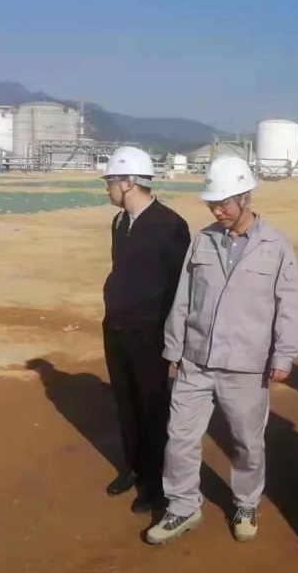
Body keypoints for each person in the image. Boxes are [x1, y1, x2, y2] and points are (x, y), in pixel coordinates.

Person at [145, 155, 298, 545]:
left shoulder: (275, 245)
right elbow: (184, 297)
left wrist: (284, 355)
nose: (218, 211)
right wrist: (174, 345)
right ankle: (183, 505)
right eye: (212, 204)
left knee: (246, 443)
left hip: (246, 366)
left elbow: (288, 305)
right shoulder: (203, 240)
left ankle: (246, 503)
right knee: (180, 436)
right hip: (196, 360)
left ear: (246, 197)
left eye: (224, 203)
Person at [101, 146, 191, 514]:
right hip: (116, 327)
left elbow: (182, 287)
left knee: (152, 406)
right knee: (125, 402)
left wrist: (177, 339)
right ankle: (134, 468)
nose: (107, 188)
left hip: (150, 332)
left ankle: (155, 483)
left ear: (127, 182)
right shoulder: (119, 222)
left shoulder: (170, 225)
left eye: (110, 181)